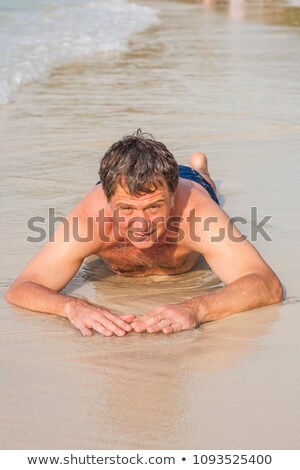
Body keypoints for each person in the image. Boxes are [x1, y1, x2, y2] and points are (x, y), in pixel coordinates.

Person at [5, 130, 283, 337]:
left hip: (188, 183)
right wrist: (72, 308)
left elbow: (267, 286)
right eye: (126, 208)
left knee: (203, 184)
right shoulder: (90, 218)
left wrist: (196, 308)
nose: (140, 223)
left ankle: (200, 169)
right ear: (108, 199)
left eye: (153, 207)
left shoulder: (196, 214)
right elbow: (23, 288)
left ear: (172, 198)